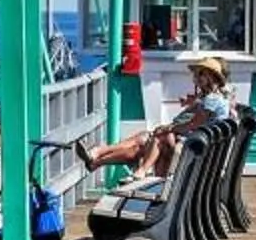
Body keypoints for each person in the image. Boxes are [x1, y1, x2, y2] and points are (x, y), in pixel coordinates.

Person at [77, 56, 232, 179]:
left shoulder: (212, 99)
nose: (196, 77)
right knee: (144, 138)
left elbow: (194, 124)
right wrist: (191, 103)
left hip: (197, 145)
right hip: (198, 141)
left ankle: (103, 159)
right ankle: (98, 156)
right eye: (196, 74)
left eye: (201, 74)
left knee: (146, 142)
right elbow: (198, 116)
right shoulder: (211, 97)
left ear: (212, 77)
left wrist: (170, 128)